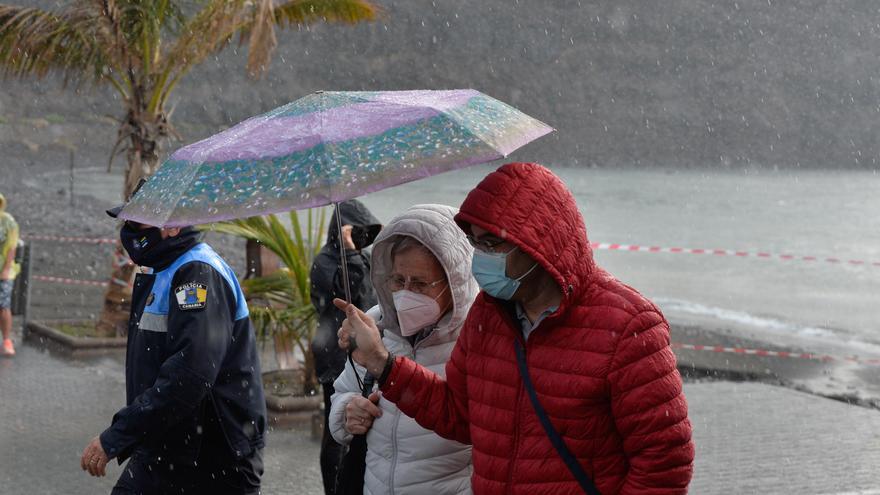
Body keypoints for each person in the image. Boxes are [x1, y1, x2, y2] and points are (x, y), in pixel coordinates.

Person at [336, 163, 695, 495]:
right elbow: (458, 415)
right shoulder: (487, 316)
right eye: (476, 243)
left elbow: (664, 463)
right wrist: (383, 364)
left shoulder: (630, 326)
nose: (480, 257)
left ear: (539, 244)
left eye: (492, 244)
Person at [80, 197, 268, 495]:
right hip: (168, 444)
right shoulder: (165, 269)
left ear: (173, 227)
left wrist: (118, 436)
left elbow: (190, 374)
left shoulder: (197, 275)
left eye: (137, 222)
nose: (128, 230)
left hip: (214, 455)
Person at [329, 204, 476, 494]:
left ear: (454, 282)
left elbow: (488, 431)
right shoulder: (376, 323)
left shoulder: (477, 340)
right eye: (398, 280)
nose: (407, 293)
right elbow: (342, 391)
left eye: (420, 283)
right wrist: (347, 412)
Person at [310, 199, 382, 495]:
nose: (361, 237)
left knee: (362, 428)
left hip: (362, 355)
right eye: (355, 230)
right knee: (336, 428)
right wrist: (349, 252)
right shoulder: (325, 260)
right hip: (335, 355)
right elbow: (349, 292)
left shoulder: (362, 257)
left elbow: (370, 295)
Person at [0, 192, 20, 357]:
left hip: (4, 272)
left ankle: (6, 339)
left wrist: (6, 269)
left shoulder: (7, 222)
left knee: (3, 306)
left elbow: (12, 247)